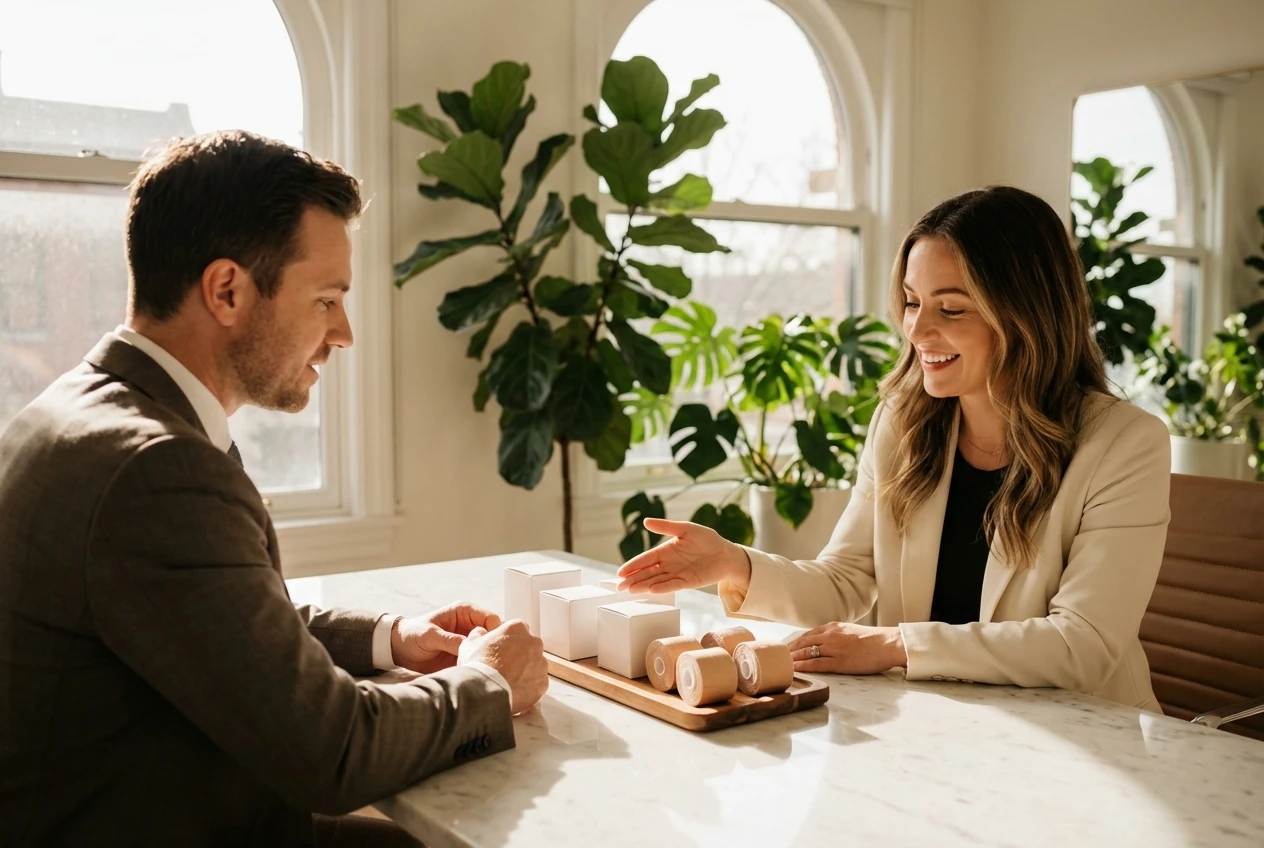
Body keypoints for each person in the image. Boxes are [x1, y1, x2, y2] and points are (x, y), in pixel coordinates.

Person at [0, 130, 549, 847]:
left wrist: (391, 639)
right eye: (326, 300)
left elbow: (224, 616)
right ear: (227, 290)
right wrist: (488, 684)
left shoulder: (72, 411)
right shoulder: (157, 469)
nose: (343, 334)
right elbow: (335, 752)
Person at [618, 185, 1171, 712]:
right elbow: (845, 579)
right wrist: (733, 563)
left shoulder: (1124, 444)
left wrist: (895, 645)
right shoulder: (903, 423)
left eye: (951, 309)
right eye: (911, 302)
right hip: (942, 725)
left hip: (1088, 738)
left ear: (1027, 316)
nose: (917, 330)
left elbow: (1082, 644)